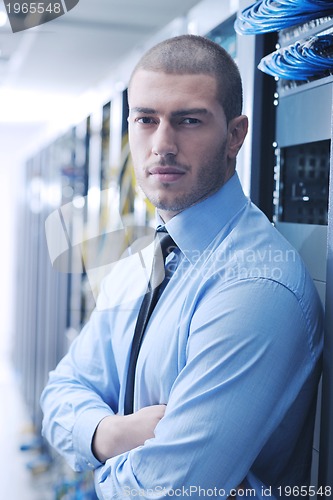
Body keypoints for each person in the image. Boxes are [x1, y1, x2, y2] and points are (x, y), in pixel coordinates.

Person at [41, 35, 323, 499]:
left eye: (188, 121)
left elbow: (165, 491)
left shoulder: (255, 285)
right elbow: (60, 392)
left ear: (235, 135)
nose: (162, 145)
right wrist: (112, 435)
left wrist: (95, 461)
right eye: (145, 120)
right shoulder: (142, 261)